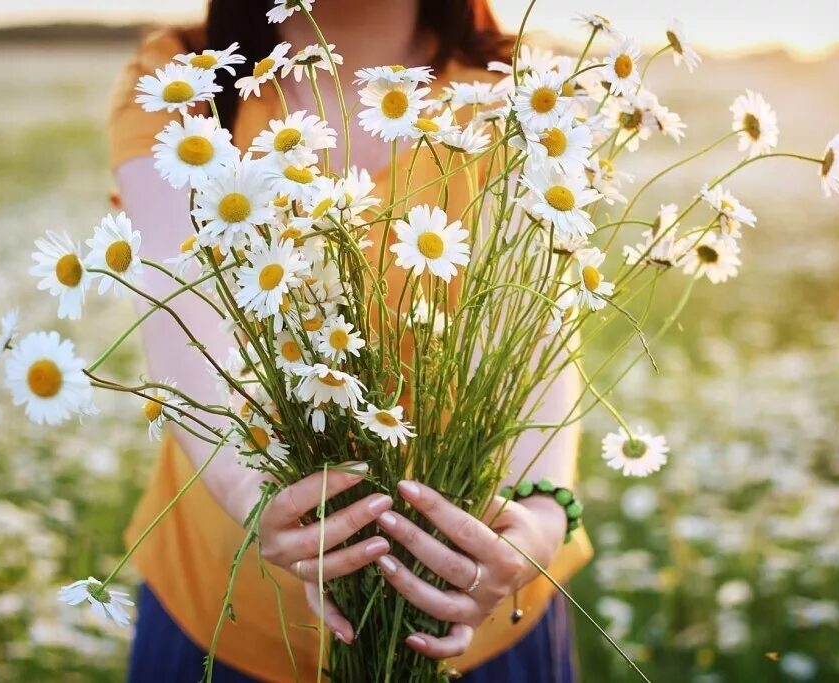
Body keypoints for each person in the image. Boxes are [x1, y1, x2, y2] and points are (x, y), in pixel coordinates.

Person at [108, 1, 593, 680]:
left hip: (482, 622)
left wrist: (539, 516)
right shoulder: (184, 79)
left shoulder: (517, 88)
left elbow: (541, 325)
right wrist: (253, 495)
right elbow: (176, 296)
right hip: (226, 617)